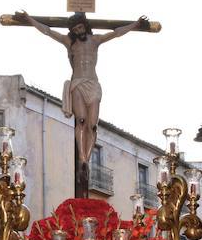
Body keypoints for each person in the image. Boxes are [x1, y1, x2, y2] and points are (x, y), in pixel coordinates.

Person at [15, 10, 148, 183]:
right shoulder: (69, 42)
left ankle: (87, 157)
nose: (79, 31)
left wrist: (136, 24)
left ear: (85, 26)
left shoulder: (96, 41)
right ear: (73, 30)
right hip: (77, 83)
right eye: (76, 29)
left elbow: (116, 33)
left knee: (92, 125)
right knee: (82, 121)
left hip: (93, 84)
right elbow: (47, 31)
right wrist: (29, 19)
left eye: (80, 27)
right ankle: (83, 159)